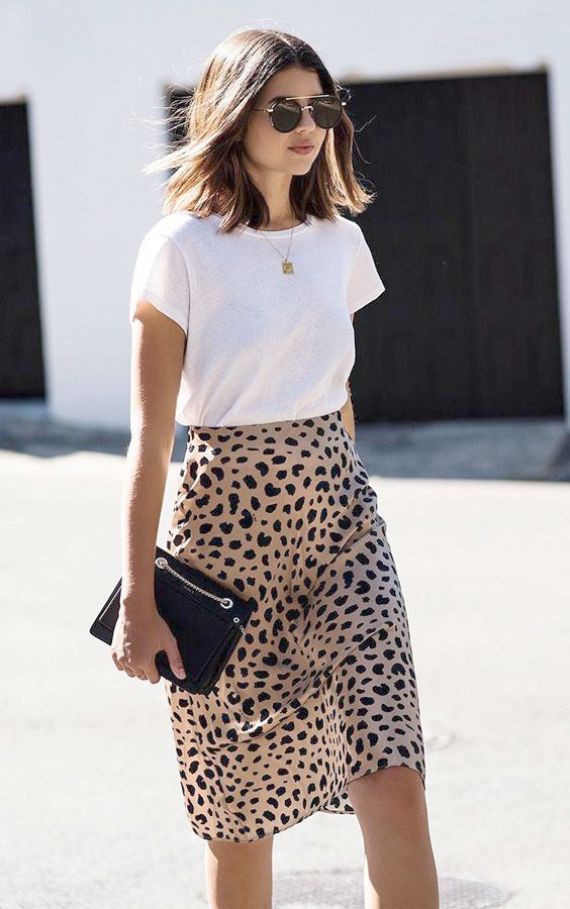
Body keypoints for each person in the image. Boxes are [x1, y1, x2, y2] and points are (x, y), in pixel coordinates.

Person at [114, 25, 439, 909]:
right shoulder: (179, 249)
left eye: (321, 108)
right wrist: (140, 600)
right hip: (224, 542)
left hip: (341, 527)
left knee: (393, 765)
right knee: (238, 811)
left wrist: (341, 480)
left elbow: (334, 392)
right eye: (284, 108)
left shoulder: (339, 242)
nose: (308, 126)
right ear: (233, 116)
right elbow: (151, 442)